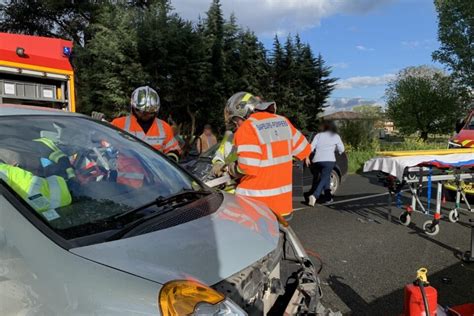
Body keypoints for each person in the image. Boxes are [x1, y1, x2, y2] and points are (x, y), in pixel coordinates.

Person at [229, 91, 311, 218]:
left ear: (244, 112)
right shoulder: (283, 121)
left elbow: (247, 167)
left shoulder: (247, 127)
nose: (237, 124)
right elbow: (304, 149)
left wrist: (232, 168)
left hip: (255, 205)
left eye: (236, 120)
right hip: (282, 205)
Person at [111, 86, 181, 162]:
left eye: (149, 113)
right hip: (126, 173)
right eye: (140, 111)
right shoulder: (118, 124)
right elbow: (103, 142)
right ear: (133, 107)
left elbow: (174, 150)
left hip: (155, 172)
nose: (144, 114)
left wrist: (169, 162)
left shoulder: (164, 127)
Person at [305, 121, 345, 207]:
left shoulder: (318, 135)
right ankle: (315, 195)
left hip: (316, 161)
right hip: (329, 161)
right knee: (325, 177)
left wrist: (307, 157)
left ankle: (328, 198)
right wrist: (336, 150)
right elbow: (342, 149)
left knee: (325, 177)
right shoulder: (335, 136)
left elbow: (310, 147)